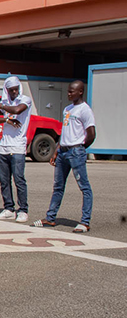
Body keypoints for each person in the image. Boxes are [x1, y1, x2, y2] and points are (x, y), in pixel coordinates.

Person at [34, 80, 96, 232]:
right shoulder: (67, 109)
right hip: (63, 152)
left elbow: (91, 134)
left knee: (84, 187)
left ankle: (85, 222)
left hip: (76, 152)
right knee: (58, 186)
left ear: (80, 92)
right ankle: (50, 218)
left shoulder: (85, 110)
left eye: (71, 91)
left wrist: (79, 147)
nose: (68, 94)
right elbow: (65, 132)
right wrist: (57, 150)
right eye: (68, 91)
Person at [0, 76, 32, 221]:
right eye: (11, 90)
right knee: (4, 180)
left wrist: (1, 107)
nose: (14, 92)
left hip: (18, 145)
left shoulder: (25, 100)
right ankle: (8, 208)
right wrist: (6, 119)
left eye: (16, 89)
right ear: (6, 90)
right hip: (3, 146)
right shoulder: (5, 102)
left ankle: (23, 210)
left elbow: (18, 110)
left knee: (19, 179)